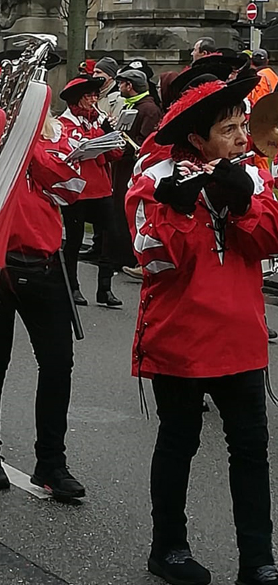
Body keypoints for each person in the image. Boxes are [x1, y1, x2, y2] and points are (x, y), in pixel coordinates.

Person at [126, 73, 278, 585]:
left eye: (243, 125)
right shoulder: (155, 179)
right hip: (181, 339)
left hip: (241, 339)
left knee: (251, 453)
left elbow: (269, 240)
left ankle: (258, 559)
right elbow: (158, 262)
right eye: (230, 128)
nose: (243, 138)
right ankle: (167, 548)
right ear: (196, 138)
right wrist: (180, 207)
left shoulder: (250, 174)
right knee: (178, 445)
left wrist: (242, 205)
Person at [0, 70, 87, 500]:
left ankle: (51, 462)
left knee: (57, 364)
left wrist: (26, 143)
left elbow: (72, 189)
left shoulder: (48, 138)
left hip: (43, 264)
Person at [59, 75, 124, 307]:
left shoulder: (98, 121)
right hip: (78, 190)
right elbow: (80, 147)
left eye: (96, 95)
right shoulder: (65, 123)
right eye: (89, 96)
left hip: (102, 188)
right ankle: (72, 286)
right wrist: (102, 135)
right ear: (78, 99)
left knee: (110, 237)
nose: (94, 99)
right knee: (74, 240)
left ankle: (105, 289)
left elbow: (113, 155)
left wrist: (113, 137)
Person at [112, 69, 162, 276]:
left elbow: (144, 142)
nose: (119, 87)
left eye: (122, 83)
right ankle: (121, 254)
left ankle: (132, 256)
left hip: (133, 169)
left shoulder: (148, 109)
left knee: (129, 211)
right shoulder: (132, 107)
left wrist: (123, 147)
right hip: (122, 167)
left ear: (129, 86)